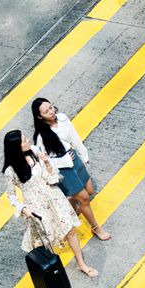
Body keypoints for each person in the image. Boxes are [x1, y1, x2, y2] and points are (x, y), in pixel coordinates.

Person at [2, 131, 99, 278]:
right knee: (42, 241)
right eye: (24, 140)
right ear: (15, 147)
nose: (28, 140)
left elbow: (52, 177)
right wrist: (22, 208)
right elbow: (11, 195)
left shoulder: (34, 151)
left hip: (54, 198)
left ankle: (81, 264)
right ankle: (46, 272)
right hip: (36, 208)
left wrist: (47, 163)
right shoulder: (10, 171)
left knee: (70, 230)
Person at [32, 98, 108, 241]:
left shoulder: (62, 118)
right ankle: (96, 227)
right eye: (46, 111)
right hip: (63, 169)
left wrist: (84, 156)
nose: (51, 112)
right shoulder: (41, 136)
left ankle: (70, 201)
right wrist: (60, 164)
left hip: (75, 160)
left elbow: (74, 138)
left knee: (90, 190)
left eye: (51, 107)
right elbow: (43, 160)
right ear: (39, 116)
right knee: (84, 198)